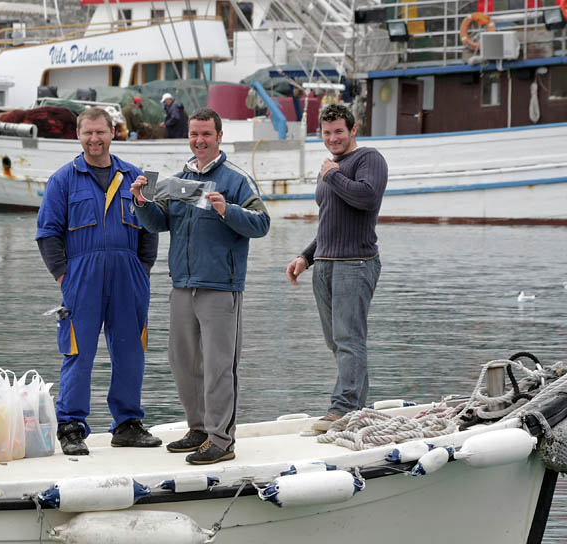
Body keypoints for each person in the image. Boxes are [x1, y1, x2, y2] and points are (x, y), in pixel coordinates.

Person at [131, 107, 270, 464]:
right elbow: (158, 223)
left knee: (219, 366)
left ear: (219, 137)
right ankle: (198, 428)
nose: (199, 140)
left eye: (206, 134)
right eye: (194, 134)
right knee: (183, 363)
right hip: (182, 285)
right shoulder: (178, 180)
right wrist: (141, 202)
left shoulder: (236, 180)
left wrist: (228, 211)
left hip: (221, 287)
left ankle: (222, 439)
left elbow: (262, 223)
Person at [36, 106, 162, 456]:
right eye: (88, 133)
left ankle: (127, 424)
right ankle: (72, 427)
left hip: (129, 276)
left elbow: (150, 228)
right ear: (78, 135)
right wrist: (64, 275)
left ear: (113, 133)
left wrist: (142, 269)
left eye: (101, 132)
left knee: (130, 349)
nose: (94, 139)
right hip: (81, 277)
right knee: (78, 351)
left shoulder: (136, 177)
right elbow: (47, 234)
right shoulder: (63, 179)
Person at [285, 103, 388, 433]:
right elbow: (330, 222)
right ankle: (357, 409)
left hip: (355, 264)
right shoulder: (332, 167)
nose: (333, 138)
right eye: (327, 133)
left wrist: (333, 174)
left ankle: (342, 408)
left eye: (339, 131)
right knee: (338, 342)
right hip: (326, 265)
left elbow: (367, 198)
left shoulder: (368, 159)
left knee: (349, 339)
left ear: (353, 130)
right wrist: (306, 257)